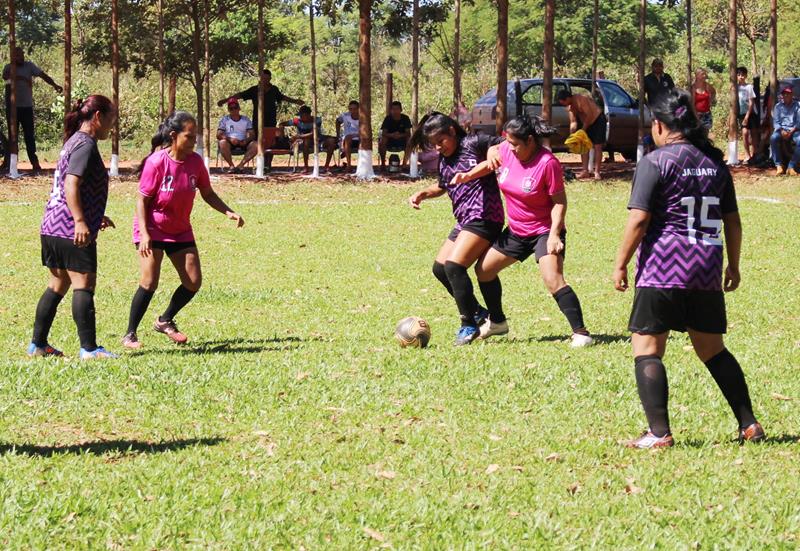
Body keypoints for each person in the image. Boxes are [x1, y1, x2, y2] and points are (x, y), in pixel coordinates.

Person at [612, 89, 764, 449]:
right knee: (713, 349)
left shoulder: (656, 162)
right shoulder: (714, 163)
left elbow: (638, 220)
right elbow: (734, 222)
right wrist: (734, 265)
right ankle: (750, 424)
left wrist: (619, 264)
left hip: (664, 268)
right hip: (706, 269)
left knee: (647, 348)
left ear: (661, 126)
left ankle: (659, 433)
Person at [449, 115, 594, 347]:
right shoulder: (507, 149)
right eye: (508, 143)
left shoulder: (547, 163)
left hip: (544, 230)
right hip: (517, 230)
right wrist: (468, 176)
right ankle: (497, 322)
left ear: (530, 140)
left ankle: (581, 332)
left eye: (515, 144)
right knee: (484, 270)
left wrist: (555, 234)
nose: (511, 148)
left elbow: (559, 202)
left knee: (552, 279)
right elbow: (491, 162)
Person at [122, 111, 245, 349]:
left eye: (195, 137)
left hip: (179, 230)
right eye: (189, 137)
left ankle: (164, 319)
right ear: (174, 136)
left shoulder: (195, 163)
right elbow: (141, 200)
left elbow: (207, 193)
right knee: (149, 282)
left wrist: (228, 211)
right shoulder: (157, 162)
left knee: (193, 281)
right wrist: (145, 235)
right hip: (153, 228)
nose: (194, 142)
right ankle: (130, 334)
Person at [28, 95, 117, 359]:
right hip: (70, 228)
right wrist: (80, 220)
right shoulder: (85, 144)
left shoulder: (72, 142)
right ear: (98, 117)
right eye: (111, 119)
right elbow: (71, 184)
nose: (112, 125)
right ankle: (89, 349)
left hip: (51, 226)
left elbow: (76, 187)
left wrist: (94, 215)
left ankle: (38, 345)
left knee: (57, 284)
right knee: (84, 285)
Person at [407, 113, 503, 346]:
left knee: (454, 266)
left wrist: (492, 150)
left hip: (485, 216)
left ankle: (468, 323)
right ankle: (480, 313)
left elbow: (502, 143)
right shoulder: (444, 160)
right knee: (440, 269)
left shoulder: (472, 143)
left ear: (452, 131)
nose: (438, 147)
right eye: (433, 144)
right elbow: (443, 185)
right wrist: (424, 193)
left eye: (441, 141)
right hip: (464, 221)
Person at [3, 46, 63, 173]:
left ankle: (35, 163)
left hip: (26, 107)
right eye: (16, 55)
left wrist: (54, 85)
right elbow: (6, 78)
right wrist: (20, 78)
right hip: (13, 108)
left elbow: (42, 75)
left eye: (21, 55)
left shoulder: (29, 66)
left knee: (29, 135)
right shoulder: (8, 67)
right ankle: (10, 163)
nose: (19, 57)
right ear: (12, 57)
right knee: (13, 136)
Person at [217, 69, 304, 132]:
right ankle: (259, 157)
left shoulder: (274, 89)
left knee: (270, 141)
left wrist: (295, 101)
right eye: (263, 79)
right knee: (257, 141)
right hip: (258, 120)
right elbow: (239, 95)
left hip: (271, 120)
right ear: (260, 79)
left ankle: (267, 158)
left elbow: (282, 97)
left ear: (270, 78)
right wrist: (225, 101)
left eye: (267, 79)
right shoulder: (254, 90)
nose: (265, 81)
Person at [556, 89, 606, 180]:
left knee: (598, 146)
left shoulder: (580, 99)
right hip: (585, 124)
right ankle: (585, 171)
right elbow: (573, 122)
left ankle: (597, 172)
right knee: (583, 146)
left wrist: (583, 130)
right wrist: (572, 136)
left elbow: (589, 115)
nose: (564, 105)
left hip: (597, 120)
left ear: (568, 98)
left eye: (564, 102)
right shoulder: (570, 107)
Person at [279, 105, 338, 173]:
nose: (300, 117)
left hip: (318, 140)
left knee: (331, 141)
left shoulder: (317, 120)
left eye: (302, 116)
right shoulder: (297, 121)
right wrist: (281, 133)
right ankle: (306, 166)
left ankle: (326, 166)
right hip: (304, 143)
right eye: (300, 116)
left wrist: (298, 136)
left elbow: (313, 134)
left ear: (308, 115)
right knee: (306, 141)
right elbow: (282, 124)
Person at [217, 98, 257, 173]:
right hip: (229, 143)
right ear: (228, 110)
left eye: (235, 107)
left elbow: (252, 134)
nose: (234, 110)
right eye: (231, 108)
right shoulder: (225, 120)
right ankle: (231, 166)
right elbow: (219, 134)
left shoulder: (246, 120)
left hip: (243, 142)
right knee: (222, 142)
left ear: (239, 108)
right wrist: (230, 139)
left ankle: (240, 165)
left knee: (256, 145)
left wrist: (246, 140)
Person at [770, 86, 800, 176]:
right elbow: (776, 122)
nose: (786, 95)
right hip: (781, 130)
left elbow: (799, 122)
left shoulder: (798, 105)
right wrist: (782, 131)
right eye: (784, 94)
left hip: (795, 130)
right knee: (773, 138)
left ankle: (791, 166)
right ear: (782, 96)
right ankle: (779, 165)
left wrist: (791, 131)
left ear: (792, 95)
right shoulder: (778, 106)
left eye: (788, 94)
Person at [380, 101, 412, 170]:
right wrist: (392, 135)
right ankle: (383, 163)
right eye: (393, 109)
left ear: (401, 110)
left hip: (402, 140)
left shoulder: (405, 118)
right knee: (383, 140)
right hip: (390, 140)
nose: (395, 111)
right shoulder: (388, 118)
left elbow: (408, 133)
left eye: (397, 109)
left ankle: (404, 164)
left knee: (409, 140)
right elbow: (384, 133)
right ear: (391, 110)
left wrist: (400, 135)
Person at [736, 67, 757, 162]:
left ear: (746, 76)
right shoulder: (735, 88)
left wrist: (747, 116)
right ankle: (747, 155)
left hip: (751, 113)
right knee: (744, 133)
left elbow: (751, 102)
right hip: (741, 113)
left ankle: (755, 154)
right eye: (739, 75)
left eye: (743, 75)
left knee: (753, 134)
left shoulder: (749, 87)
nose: (741, 77)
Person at [335, 100, 360, 170]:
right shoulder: (345, 116)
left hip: (359, 138)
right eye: (350, 109)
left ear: (359, 108)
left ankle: (362, 164)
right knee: (348, 138)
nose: (353, 111)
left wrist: (355, 135)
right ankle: (349, 165)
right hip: (347, 139)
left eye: (355, 109)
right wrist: (338, 134)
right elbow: (338, 121)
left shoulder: (363, 117)